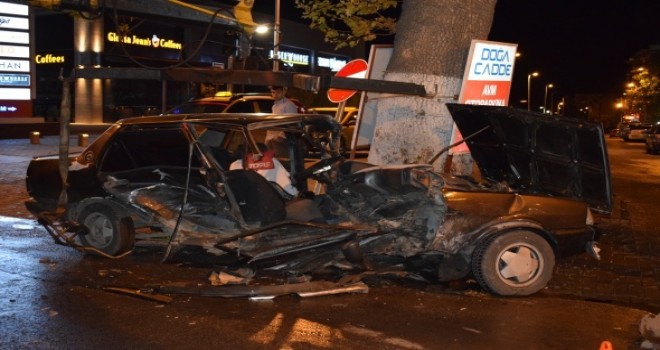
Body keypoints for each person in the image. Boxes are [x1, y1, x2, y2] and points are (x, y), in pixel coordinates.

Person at [229, 143, 299, 198]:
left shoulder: (234, 165)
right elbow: (288, 189)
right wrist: (296, 194)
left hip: (245, 206)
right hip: (271, 205)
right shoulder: (272, 161)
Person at [266, 86, 298, 154]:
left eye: (278, 92)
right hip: (272, 139)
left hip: (282, 140)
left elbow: (292, 122)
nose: (275, 95)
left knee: (281, 159)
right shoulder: (275, 106)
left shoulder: (289, 105)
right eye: (273, 92)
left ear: (284, 92)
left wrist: (281, 136)